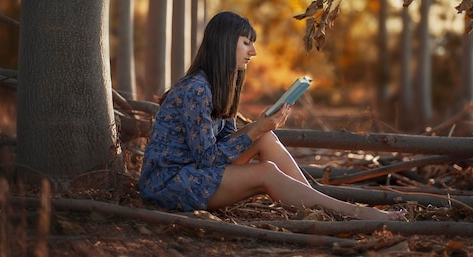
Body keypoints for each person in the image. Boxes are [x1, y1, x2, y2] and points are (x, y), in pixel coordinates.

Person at [139, 11, 404, 220]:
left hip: (194, 172)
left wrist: (262, 125)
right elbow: (208, 159)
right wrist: (256, 128)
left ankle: (318, 204)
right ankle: (351, 213)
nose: (253, 52)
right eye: (246, 43)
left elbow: (226, 141)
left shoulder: (219, 85)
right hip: (168, 183)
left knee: (265, 138)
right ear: (224, 44)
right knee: (266, 170)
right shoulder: (196, 90)